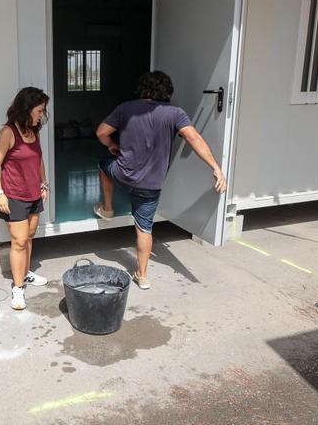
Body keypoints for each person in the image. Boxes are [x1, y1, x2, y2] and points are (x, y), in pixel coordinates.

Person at [93, 71, 227, 290]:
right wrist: (215, 168)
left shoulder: (126, 108)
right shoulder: (175, 113)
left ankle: (107, 208)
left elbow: (101, 132)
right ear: (166, 91)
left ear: (143, 88)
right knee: (144, 228)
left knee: (103, 164)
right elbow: (194, 138)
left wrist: (111, 144)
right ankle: (142, 275)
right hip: (151, 185)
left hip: (123, 174)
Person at [0, 87, 51, 310]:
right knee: (19, 241)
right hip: (14, 196)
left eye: (43, 111)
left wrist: (44, 183)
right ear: (26, 108)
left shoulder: (34, 131)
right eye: (39, 110)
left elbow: (39, 158)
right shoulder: (8, 132)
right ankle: (17, 288)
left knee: (30, 237)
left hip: (34, 193)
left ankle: (25, 273)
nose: (42, 115)